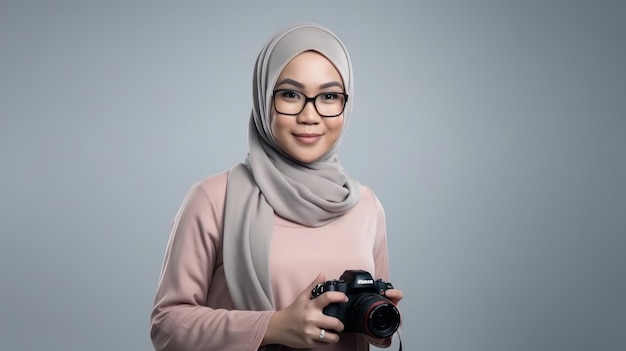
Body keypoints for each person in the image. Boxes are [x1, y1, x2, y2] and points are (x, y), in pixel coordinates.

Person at [149, 23, 403, 351]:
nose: (310, 115)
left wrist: (376, 326)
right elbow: (166, 325)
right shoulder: (213, 199)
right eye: (291, 94)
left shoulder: (366, 206)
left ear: (346, 103)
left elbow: (373, 333)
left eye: (328, 96)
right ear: (264, 97)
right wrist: (271, 326)